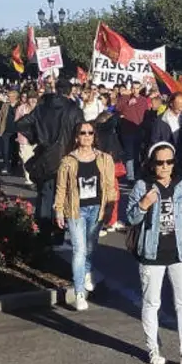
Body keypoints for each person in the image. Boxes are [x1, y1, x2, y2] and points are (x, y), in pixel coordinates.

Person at [126, 142, 182, 364]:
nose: (164, 166)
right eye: (160, 162)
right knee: (152, 302)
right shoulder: (142, 186)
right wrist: (144, 204)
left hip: (180, 252)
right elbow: (131, 218)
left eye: (169, 162)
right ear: (151, 164)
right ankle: (153, 348)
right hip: (152, 254)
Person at [54, 121, 118, 311]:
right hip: (76, 210)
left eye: (90, 132)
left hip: (97, 208)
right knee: (79, 250)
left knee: (90, 247)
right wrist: (58, 209)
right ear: (76, 137)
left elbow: (109, 186)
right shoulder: (68, 161)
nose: (87, 136)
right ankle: (79, 292)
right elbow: (61, 187)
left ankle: (87, 271)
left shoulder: (105, 159)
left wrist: (109, 208)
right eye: (83, 133)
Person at [15, 79, 85, 246]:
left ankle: (43, 234)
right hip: (67, 157)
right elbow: (82, 134)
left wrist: (37, 138)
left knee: (46, 196)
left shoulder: (42, 108)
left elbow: (21, 123)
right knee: (64, 196)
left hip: (46, 157)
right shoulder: (74, 110)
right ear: (70, 92)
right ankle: (58, 234)